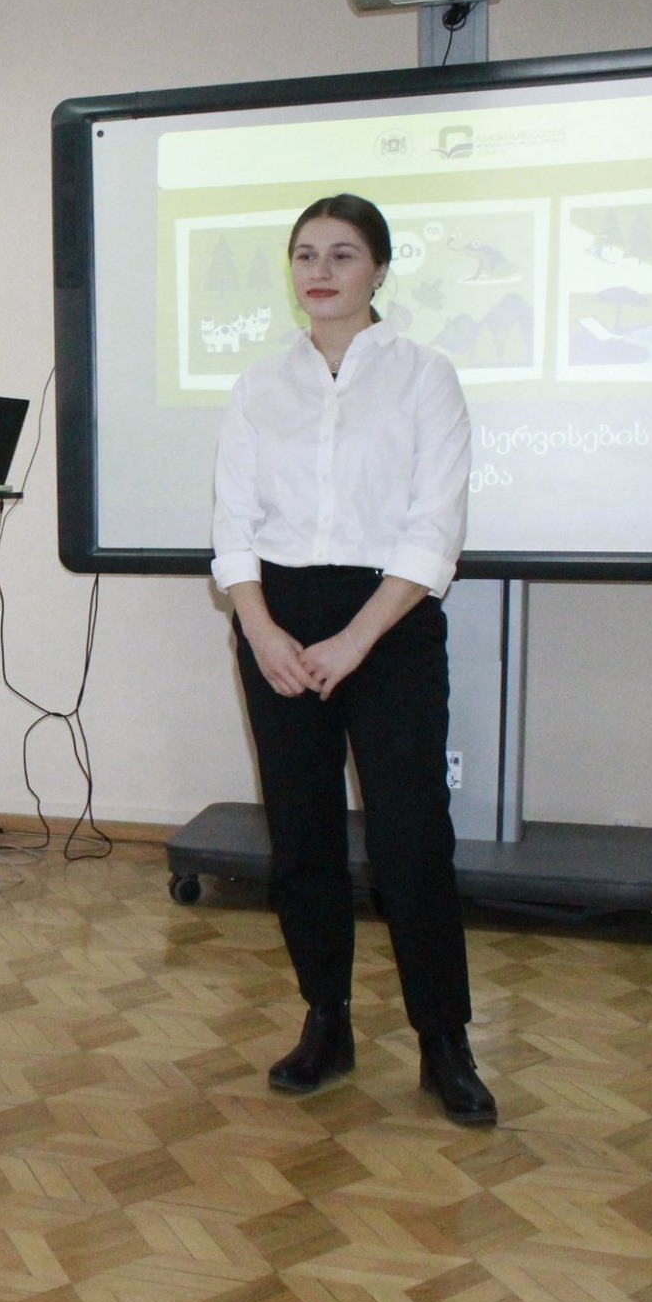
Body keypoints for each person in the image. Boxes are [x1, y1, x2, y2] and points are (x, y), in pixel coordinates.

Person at [211, 194, 493, 1126]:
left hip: (390, 622)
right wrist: (261, 630)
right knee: (302, 837)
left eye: (342, 253)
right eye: (305, 254)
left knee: (412, 840)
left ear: (379, 268)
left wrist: (356, 638)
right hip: (278, 620)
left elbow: (434, 528)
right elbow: (234, 525)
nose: (320, 270)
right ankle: (326, 1021)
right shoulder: (259, 386)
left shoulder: (425, 376)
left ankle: (444, 1041)